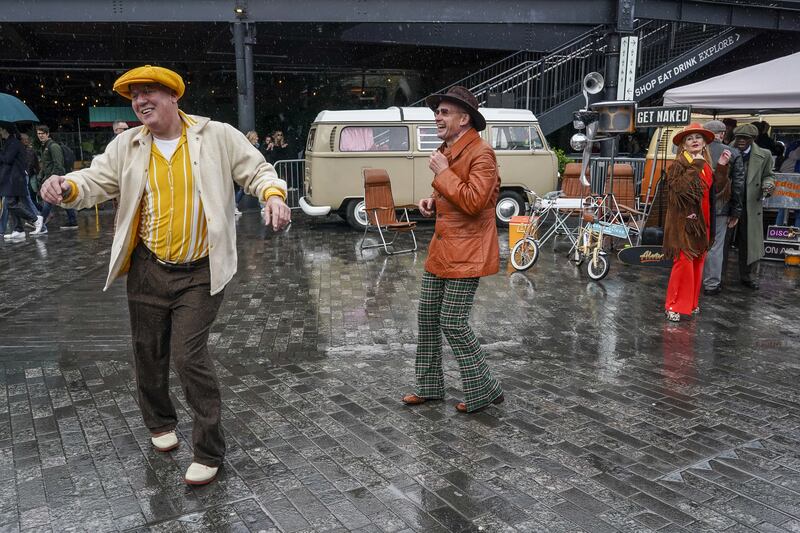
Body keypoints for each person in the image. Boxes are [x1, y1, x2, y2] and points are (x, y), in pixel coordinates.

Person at [39, 65, 291, 485]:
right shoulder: (128, 144)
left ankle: (209, 449)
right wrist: (66, 187)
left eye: (149, 91)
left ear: (174, 96)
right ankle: (160, 424)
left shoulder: (217, 135)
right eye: (134, 95)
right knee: (148, 353)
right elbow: (95, 180)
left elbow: (257, 169)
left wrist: (273, 195)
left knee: (188, 356)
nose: (140, 100)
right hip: (149, 268)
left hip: (201, 271)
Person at [401, 86, 504, 413]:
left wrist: (443, 174)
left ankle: (485, 388)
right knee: (428, 317)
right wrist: (433, 201)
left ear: (464, 118)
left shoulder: (482, 153)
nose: (437, 117)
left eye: (444, 112)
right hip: (443, 249)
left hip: (468, 251)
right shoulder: (449, 148)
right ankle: (430, 387)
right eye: (437, 111)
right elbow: (459, 196)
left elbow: (475, 202)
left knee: (453, 322)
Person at [663, 123, 730, 322]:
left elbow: (715, 188)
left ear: (704, 143)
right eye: (690, 138)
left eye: (698, 138)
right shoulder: (678, 165)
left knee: (698, 263)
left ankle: (690, 304)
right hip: (683, 224)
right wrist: (697, 165)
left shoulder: (705, 166)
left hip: (703, 223)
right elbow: (681, 191)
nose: (694, 141)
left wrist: (723, 166)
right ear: (683, 145)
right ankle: (673, 306)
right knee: (683, 263)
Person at [701, 120, 744, 296]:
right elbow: (738, 186)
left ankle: (693, 281)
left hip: (698, 205)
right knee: (716, 246)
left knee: (695, 244)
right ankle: (711, 284)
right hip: (721, 206)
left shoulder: (697, 151)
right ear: (723, 134)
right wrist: (736, 211)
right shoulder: (733, 153)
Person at [731, 123, 775, 289]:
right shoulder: (727, 150)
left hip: (750, 205)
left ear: (753, 139)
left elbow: (769, 175)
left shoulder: (765, 155)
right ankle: (715, 278)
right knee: (721, 242)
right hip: (729, 204)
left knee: (748, 242)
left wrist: (768, 185)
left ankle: (747, 276)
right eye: (738, 137)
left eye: (745, 138)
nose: (741, 141)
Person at [1, 123, 44, 241]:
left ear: (5, 130)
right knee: (12, 204)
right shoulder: (9, 142)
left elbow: (8, 159)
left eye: (0, 129)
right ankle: (18, 229)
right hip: (11, 179)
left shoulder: (14, 143)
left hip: (14, 179)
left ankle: (35, 219)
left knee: (10, 204)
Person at [35, 125, 78, 234]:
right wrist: (41, 176)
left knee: (48, 201)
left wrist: (54, 177)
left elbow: (58, 164)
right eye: (39, 134)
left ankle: (41, 224)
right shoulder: (45, 146)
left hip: (55, 178)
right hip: (50, 177)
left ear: (47, 134)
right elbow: (46, 164)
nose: (40, 136)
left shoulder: (53, 146)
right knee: (62, 199)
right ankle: (72, 220)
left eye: (42, 133)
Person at [776, 140, 800, 228]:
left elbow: (791, 155)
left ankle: (778, 228)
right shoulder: (796, 149)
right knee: (796, 210)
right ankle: (797, 233)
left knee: (783, 206)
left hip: (788, 179)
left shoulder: (794, 146)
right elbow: (794, 155)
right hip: (793, 179)